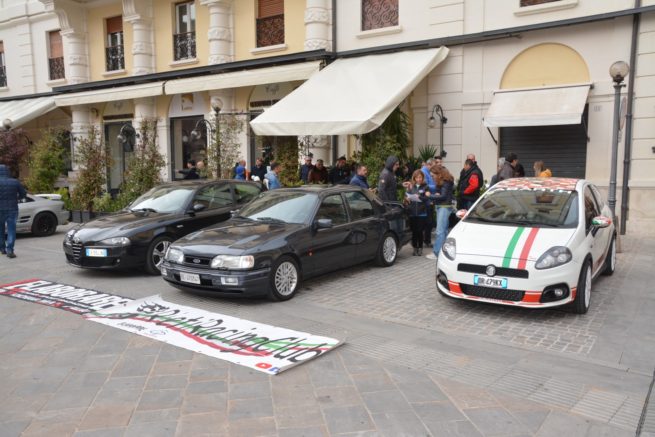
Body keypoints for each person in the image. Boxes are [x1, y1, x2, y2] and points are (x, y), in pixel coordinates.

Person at [426, 166, 455, 261]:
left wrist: (431, 196)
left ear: (438, 174)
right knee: (444, 231)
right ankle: (443, 252)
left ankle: (437, 253)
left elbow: (443, 196)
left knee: (440, 231)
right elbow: (442, 194)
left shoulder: (446, 182)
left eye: (432, 175)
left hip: (444, 207)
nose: (432, 177)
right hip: (443, 206)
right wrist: (437, 195)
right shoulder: (445, 181)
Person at [0, 164, 27, 258]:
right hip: (12, 208)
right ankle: (10, 250)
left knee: (0, 230)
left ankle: (2, 249)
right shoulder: (15, 182)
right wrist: (17, 198)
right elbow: (23, 194)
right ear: (8, 172)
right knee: (11, 230)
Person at [404, 170, 431, 256]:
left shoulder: (425, 187)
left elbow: (427, 198)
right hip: (412, 212)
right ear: (414, 178)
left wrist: (420, 197)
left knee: (420, 231)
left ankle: (420, 247)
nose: (418, 179)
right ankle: (415, 248)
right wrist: (407, 199)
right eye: (417, 177)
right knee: (414, 231)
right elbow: (406, 197)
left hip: (421, 213)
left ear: (422, 178)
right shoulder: (411, 186)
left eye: (420, 177)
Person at [421, 159, 437, 248]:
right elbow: (426, 186)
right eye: (433, 166)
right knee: (428, 222)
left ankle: (426, 240)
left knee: (429, 221)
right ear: (429, 165)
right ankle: (426, 240)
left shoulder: (427, 172)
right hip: (427, 201)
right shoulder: (424, 172)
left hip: (430, 199)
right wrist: (437, 186)